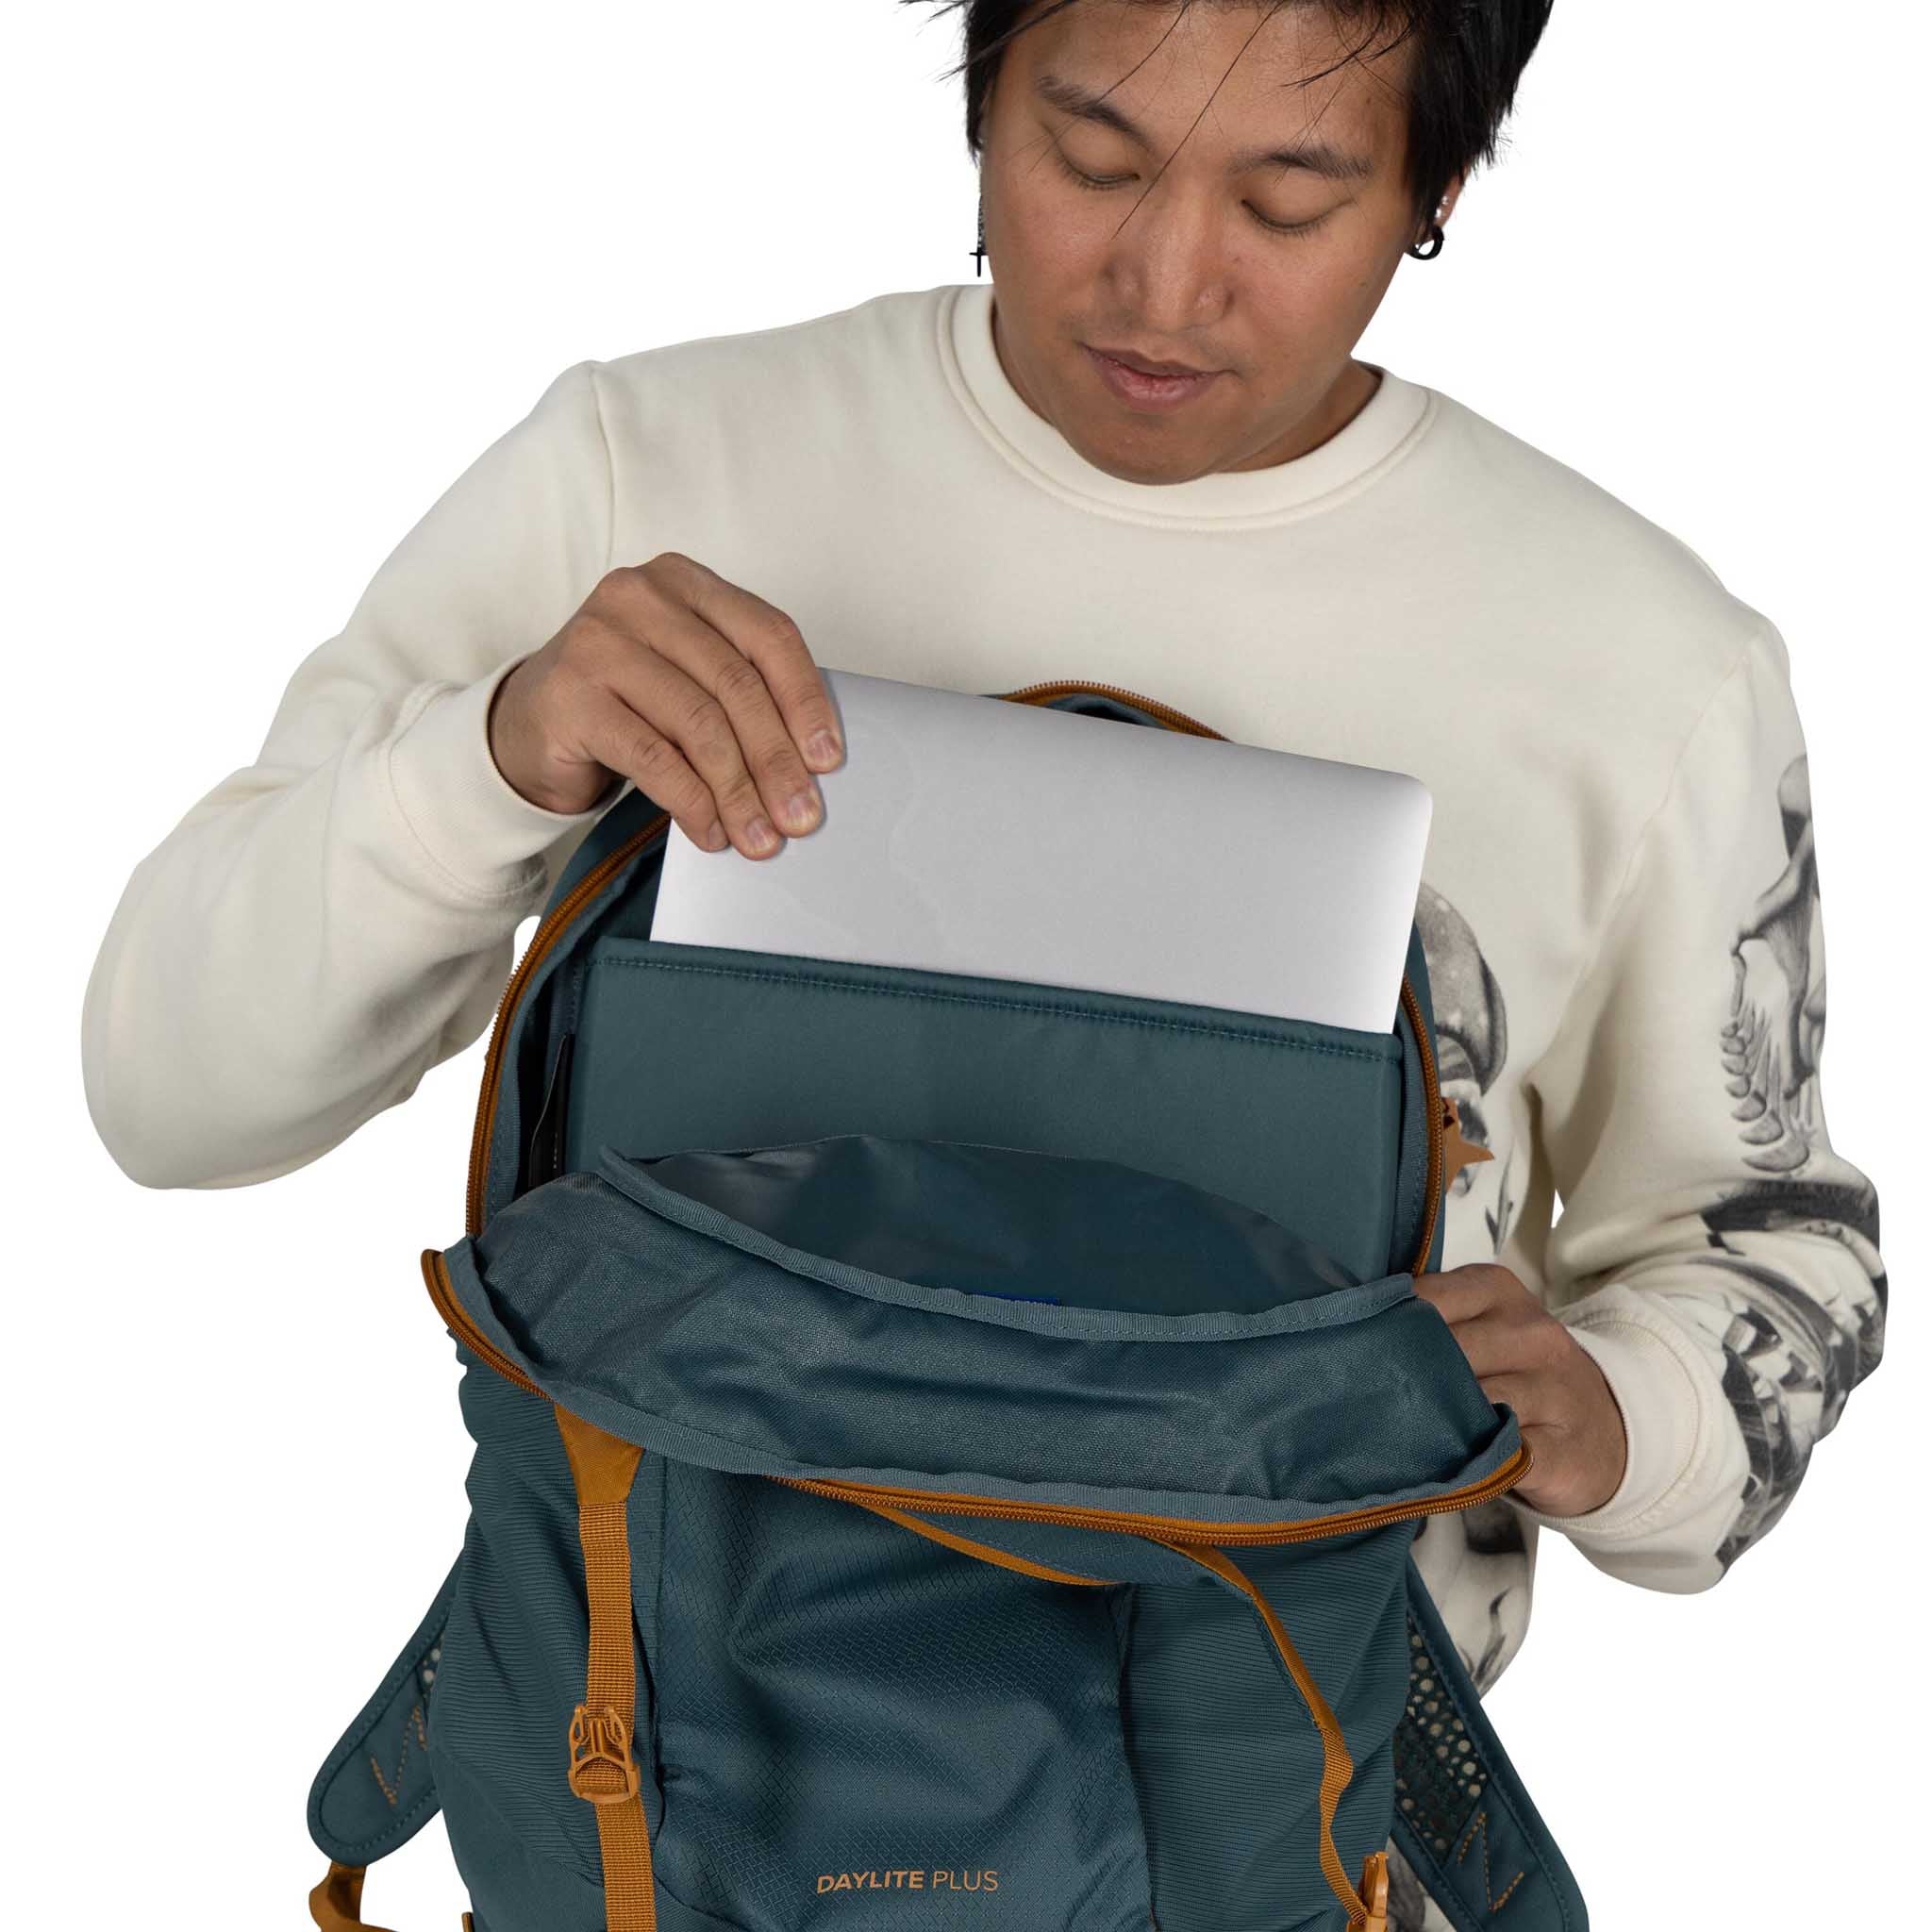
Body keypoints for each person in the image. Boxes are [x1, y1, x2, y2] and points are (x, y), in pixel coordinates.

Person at [79, 3, 1886, 1924]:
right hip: (647, 1816)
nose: (1164, 281)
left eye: (1287, 201)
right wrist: (496, 752)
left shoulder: (1640, 659)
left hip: (1286, 1856)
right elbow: (168, 1092)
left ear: (1435, 184)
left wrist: (1621, 1410)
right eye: (1091, 158)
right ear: (978, 96)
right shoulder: (643, 469)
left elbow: (1771, 1245)